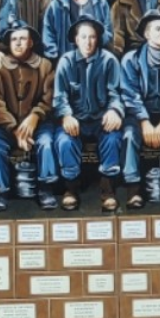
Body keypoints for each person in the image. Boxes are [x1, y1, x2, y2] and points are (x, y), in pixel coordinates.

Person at [49, 16, 129, 213]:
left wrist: (114, 110)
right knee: (64, 141)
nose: (88, 42)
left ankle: (108, 190)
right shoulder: (66, 62)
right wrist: (66, 115)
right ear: (76, 40)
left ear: (98, 39)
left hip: (100, 119)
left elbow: (116, 93)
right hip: (75, 120)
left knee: (113, 138)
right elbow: (59, 97)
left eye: (92, 37)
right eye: (83, 37)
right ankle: (71, 189)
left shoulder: (109, 61)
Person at [119, 10, 160, 210]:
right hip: (138, 117)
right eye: (158, 29)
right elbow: (129, 95)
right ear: (146, 34)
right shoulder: (130, 59)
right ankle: (133, 190)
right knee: (129, 137)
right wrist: (144, 122)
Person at [0, 18, 53, 209]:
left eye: (23, 39)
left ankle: (46, 188)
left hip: (37, 123)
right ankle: (0, 192)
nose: (18, 43)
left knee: (46, 143)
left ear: (31, 42)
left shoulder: (45, 66)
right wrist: (14, 128)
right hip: (4, 126)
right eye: (14, 39)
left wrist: (35, 116)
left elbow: (49, 99)